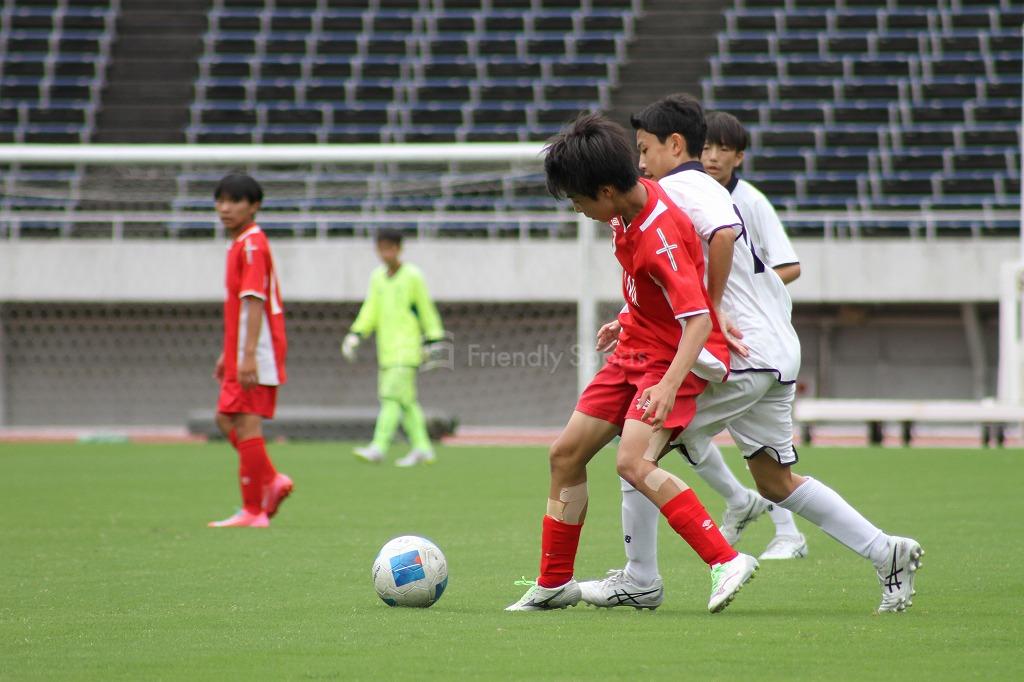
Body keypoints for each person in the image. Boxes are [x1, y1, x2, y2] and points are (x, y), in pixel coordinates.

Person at [581, 95, 922, 614]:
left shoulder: (683, 187)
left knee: (637, 451)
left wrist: (714, 307)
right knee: (775, 481)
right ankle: (886, 551)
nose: (640, 163)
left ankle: (641, 578)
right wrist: (632, 316)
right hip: (776, 350)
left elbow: (721, 233)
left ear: (675, 146)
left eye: (645, 150)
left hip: (742, 354)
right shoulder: (708, 188)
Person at [506, 113, 759, 614]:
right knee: (565, 454)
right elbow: (650, 288)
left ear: (605, 191)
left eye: (578, 201)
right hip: (635, 349)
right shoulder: (625, 207)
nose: (577, 210)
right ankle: (554, 583)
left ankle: (726, 559)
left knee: (633, 462)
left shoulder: (659, 235)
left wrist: (668, 386)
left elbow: (698, 322)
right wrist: (626, 318)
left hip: (671, 358)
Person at [208, 173, 293, 528]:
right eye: (220, 200)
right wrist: (229, 352)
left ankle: (254, 508)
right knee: (227, 419)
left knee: (244, 422)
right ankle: (269, 482)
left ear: (254, 206)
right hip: (244, 348)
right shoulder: (241, 243)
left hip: (258, 349)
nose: (225, 208)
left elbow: (254, 302)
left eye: (234, 201)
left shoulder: (253, 245)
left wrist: (246, 355)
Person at [342, 228, 445, 467]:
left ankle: (378, 446)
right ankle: (423, 448)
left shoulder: (412, 276)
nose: (385, 253)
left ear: (399, 249)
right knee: (406, 402)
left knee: (389, 397)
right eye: (381, 248)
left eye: (389, 248)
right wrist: (357, 333)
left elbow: (426, 309)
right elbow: (370, 309)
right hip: (386, 350)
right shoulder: (377, 278)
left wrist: (435, 338)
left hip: (407, 348)